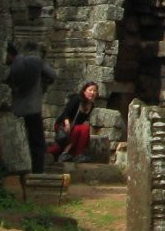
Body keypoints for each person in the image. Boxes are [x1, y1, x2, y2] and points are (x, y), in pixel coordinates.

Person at [6, 42, 57, 174]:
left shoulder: (11, 68)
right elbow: (52, 75)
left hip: (16, 110)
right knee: (37, 143)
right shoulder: (35, 61)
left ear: (9, 54)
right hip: (33, 108)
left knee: (16, 141)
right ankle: (37, 171)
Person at [50, 81, 100, 163]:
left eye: (94, 91)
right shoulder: (77, 99)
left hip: (75, 127)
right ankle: (71, 154)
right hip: (63, 125)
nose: (92, 93)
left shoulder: (91, 105)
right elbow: (65, 112)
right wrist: (67, 123)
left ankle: (76, 154)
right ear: (84, 91)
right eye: (90, 90)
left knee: (84, 128)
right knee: (83, 128)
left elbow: (81, 121)